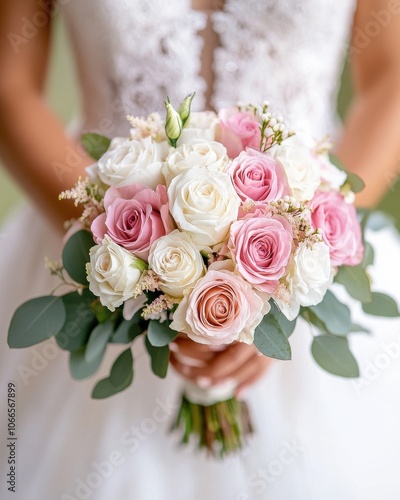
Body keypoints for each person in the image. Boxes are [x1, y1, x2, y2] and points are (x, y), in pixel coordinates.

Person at [0, 1, 400, 499]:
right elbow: (9, 87)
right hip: (101, 252)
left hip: (308, 247)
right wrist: (129, 254)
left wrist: (296, 259)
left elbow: (391, 80)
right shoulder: (119, 248)